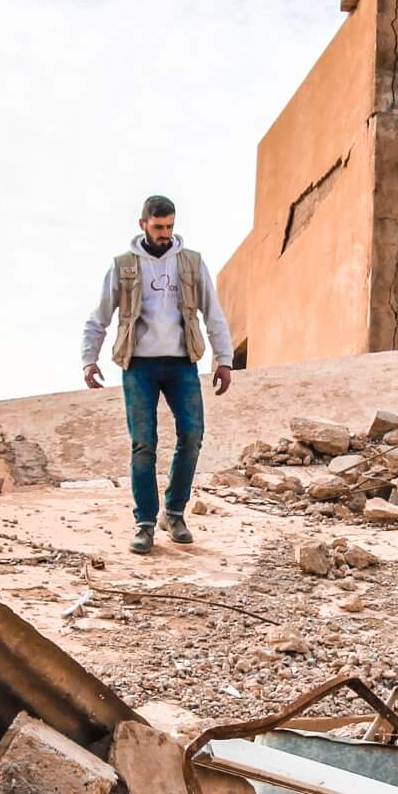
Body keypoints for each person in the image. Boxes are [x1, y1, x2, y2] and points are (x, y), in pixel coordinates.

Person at [82, 195, 235, 554]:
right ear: (143, 225)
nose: (165, 234)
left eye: (170, 227)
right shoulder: (123, 267)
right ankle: (145, 523)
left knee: (192, 434)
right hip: (140, 366)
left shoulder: (191, 264)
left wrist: (223, 358)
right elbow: (98, 317)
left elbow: (213, 313)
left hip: (182, 364)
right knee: (143, 443)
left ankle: (175, 513)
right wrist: (89, 359)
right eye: (158, 227)